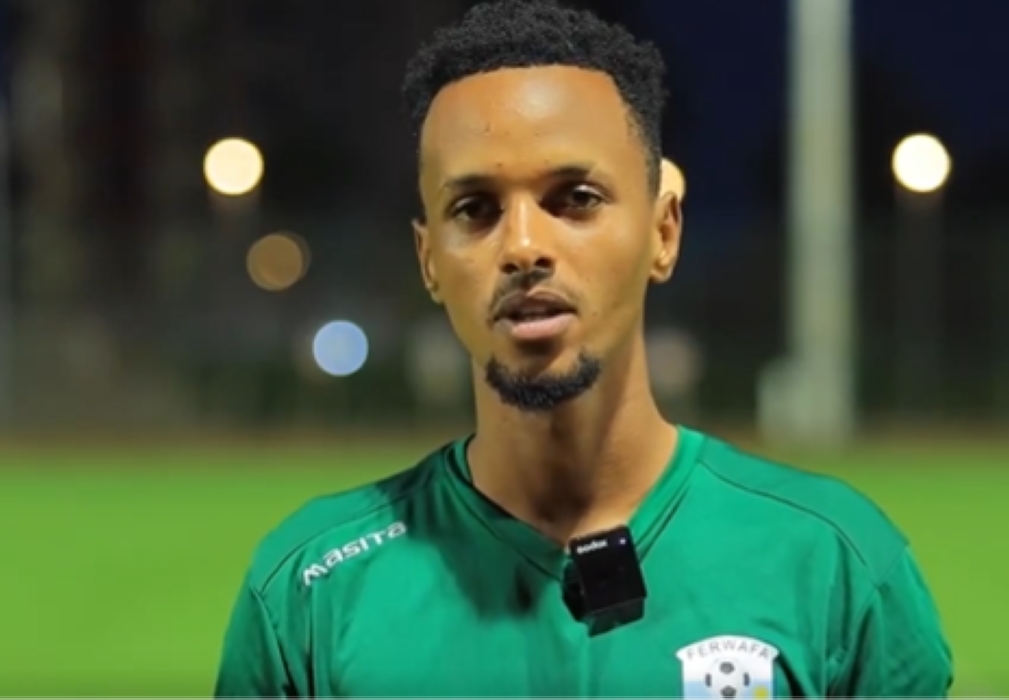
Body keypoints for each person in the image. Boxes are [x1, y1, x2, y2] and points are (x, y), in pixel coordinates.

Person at [213, 1, 953, 697]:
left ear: (664, 231)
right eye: (475, 210)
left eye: (575, 199)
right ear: (429, 258)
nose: (525, 246)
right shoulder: (310, 591)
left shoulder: (835, 566)